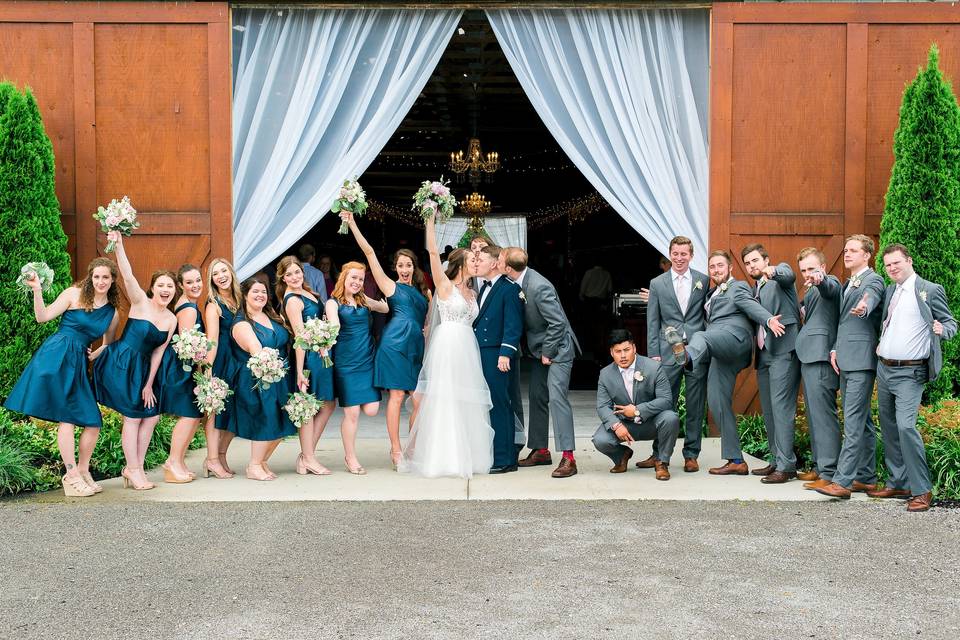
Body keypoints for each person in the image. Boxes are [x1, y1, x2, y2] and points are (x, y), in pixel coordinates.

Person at [4, 258, 122, 497]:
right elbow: (43, 317)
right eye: (96, 276)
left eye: (105, 277)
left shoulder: (112, 312)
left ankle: (82, 470)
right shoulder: (73, 294)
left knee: (92, 422)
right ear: (90, 277)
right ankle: (71, 476)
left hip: (78, 362)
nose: (100, 281)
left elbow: (108, 344)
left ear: (112, 280)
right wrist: (37, 291)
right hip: (56, 356)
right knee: (66, 417)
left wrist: (92, 355)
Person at [666, 250, 784, 475]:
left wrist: (767, 319)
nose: (716, 270)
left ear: (730, 268)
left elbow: (749, 305)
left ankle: (688, 356)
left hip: (734, 338)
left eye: (720, 265)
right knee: (717, 403)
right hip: (718, 351)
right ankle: (736, 460)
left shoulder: (738, 287)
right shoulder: (710, 293)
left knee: (700, 337)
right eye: (712, 267)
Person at [399, 215, 493, 478]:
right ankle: (442, 458)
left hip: (467, 347)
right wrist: (429, 220)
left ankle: (469, 455)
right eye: (472, 260)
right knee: (445, 398)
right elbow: (431, 250)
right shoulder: (444, 286)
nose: (476, 263)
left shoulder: (474, 293)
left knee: (465, 399)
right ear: (460, 264)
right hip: (448, 345)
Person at [870, 244, 955, 511]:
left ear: (909, 260)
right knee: (890, 427)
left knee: (906, 426)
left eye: (896, 263)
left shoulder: (929, 290)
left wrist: (943, 329)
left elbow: (951, 322)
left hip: (910, 372)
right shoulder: (890, 290)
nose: (892, 268)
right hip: (884, 368)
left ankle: (922, 490)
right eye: (888, 265)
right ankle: (898, 482)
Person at [342, 211, 430, 468]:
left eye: (408, 265)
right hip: (394, 345)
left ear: (414, 267)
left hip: (415, 347)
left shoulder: (424, 291)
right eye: (400, 265)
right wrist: (352, 224)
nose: (404, 269)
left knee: (420, 400)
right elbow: (369, 253)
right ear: (396, 268)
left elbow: (429, 319)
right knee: (397, 397)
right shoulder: (391, 286)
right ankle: (396, 450)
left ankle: (413, 447)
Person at [92, 231, 177, 491]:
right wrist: (119, 245)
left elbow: (158, 352)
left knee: (150, 418)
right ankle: (135, 469)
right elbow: (127, 274)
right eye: (161, 285)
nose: (165, 290)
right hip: (121, 362)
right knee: (132, 417)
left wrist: (149, 383)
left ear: (174, 291)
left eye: (170, 286)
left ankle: (134, 468)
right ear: (153, 288)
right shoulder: (140, 301)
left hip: (142, 370)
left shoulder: (171, 320)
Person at [501, 247, 581, 478]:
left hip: (558, 349)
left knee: (557, 398)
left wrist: (548, 351)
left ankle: (569, 457)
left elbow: (557, 323)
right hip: (538, 350)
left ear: (508, 267)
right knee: (537, 396)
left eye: (500, 260)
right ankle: (541, 450)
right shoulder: (514, 281)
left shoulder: (539, 286)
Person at [815, 235, 885, 499]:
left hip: (861, 361)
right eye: (845, 250)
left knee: (853, 421)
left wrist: (865, 306)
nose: (847, 254)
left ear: (867, 255)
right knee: (862, 420)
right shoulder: (847, 283)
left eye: (853, 250)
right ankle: (866, 478)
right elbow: (844, 322)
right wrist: (834, 348)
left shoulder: (872, 280)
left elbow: (871, 298)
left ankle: (842, 482)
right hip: (845, 358)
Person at [644, 236, 710, 473]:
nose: (679, 258)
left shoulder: (703, 280)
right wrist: (654, 354)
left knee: (695, 403)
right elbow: (653, 322)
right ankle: (658, 453)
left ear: (691, 256)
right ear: (670, 254)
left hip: (695, 350)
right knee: (664, 403)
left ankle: (691, 454)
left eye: (684, 254)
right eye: (675, 253)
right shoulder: (657, 283)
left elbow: (708, 316)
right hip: (666, 352)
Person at [223, 278, 296, 481]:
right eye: (255, 291)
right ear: (245, 295)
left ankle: (261, 462)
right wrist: (271, 368)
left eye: (263, 292)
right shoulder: (242, 324)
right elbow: (256, 349)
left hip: (280, 376)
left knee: (284, 423)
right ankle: (254, 466)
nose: (260, 295)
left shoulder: (271, 315)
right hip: (259, 377)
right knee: (267, 419)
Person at [741, 243, 801, 483]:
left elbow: (788, 274)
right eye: (747, 263)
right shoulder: (755, 287)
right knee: (769, 411)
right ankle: (777, 460)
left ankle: (787, 466)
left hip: (784, 351)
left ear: (766, 260)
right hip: (764, 354)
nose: (751, 266)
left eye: (755, 260)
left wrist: (773, 271)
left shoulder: (778, 276)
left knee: (782, 409)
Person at [325, 262, 389, 474]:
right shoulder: (333, 303)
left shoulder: (363, 300)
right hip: (346, 363)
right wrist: (325, 340)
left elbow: (385, 308)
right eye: (353, 278)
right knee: (352, 412)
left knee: (371, 410)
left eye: (360, 279)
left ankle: (350, 454)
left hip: (367, 360)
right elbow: (334, 325)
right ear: (344, 278)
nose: (357, 282)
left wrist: (385, 295)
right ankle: (350, 457)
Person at [591, 329, 679, 480]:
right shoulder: (606, 374)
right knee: (600, 440)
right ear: (612, 353)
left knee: (671, 418)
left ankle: (661, 461)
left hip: (651, 421)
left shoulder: (653, 367)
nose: (623, 355)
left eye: (626, 350)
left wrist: (638, 410)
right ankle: (622, 455)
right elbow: (602, 406)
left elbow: (666, 400)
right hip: (625, 424)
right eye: (618, 351)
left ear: (634, 348)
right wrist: (616, 425)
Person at [277, 256, 336, 476]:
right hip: (309, 356)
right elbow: (300, 338)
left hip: (320, 354)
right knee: (310, 406)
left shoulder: (307, 291)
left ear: (303, 272)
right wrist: (300, 371)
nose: (294, 277)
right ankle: (309, 458)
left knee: (327, 403)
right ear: (283, 278)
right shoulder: (292, 300)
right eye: (289, 274)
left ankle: (306, 456)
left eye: (297, 272)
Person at [473, 245, 525, 473]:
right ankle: (495, 454)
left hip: (497, 354)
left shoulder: (510, 289)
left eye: (481, 259)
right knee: (487, 404)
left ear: (494, 263)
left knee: (500, 404)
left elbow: (513, 325)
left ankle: (504, 459)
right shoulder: (482, 287)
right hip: (481, 352)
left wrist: (506, 353)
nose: (477, 262)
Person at [794, 247, 841, 486]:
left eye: (812, 269)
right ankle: (818, 465)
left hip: (821, 359)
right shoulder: (809, 291)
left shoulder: (829, 282)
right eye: (803, 270)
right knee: (814, 417)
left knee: (823, 417)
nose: (807, 274)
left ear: (822, 267)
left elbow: (829, 287)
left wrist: (820, 279)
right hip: (809, 358)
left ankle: (829, 472)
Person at [156, 264, 207, 483]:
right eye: (189, 282)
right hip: (183, 368)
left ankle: (179, 462)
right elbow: (189, 344)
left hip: (186, 365)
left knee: (194, 415)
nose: (195, 285)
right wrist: (201, 371)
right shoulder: (188, 308)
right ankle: (172, 462)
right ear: (181, 285)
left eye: (198, 280)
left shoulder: (191, 304)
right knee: (189, 415)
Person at [202, 258, 242, 478]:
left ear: (231, 273)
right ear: (212, 280)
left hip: (240, 359)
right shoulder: (213, 305)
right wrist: (208, 370)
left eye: (224, 271)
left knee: (236, 411)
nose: (221, 276)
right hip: (222, 360)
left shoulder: (239, 298)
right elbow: (213, 339)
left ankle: (221, 455)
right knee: (215, 413)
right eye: (216, 274)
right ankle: (212, 459)